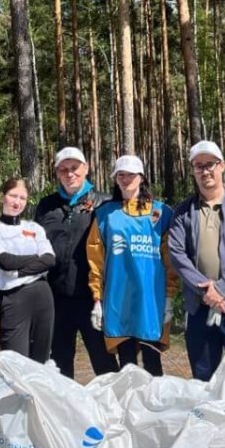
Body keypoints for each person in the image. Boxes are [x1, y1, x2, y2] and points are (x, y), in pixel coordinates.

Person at [168, 141, 225, 386]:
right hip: (199, 309)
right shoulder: (183, 211)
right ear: (193, 170)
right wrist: (206, 291)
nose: (205, 171)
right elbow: (177, 254)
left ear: (223, 166)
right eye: (199, 166)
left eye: (210, 164)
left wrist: (222, 287)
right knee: (203, 383)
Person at [86, 154, 179, 376]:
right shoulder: (105, 214)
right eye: (121, 175)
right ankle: (129, 400)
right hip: (119, 299)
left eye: (131, 175)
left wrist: (169, 297)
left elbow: (171, 259)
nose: (126, 180)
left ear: (142, 177)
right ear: (115, 179)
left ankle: (155, 399)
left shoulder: (161, 213)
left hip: (151, 300)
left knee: (152, 363)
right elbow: (96, 259)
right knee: (127, 365)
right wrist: (97, 299)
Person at [35, 147, 119, 379]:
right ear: (57, 173)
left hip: (93, 298)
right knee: (59, 364)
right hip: (56, 298)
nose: (69, 173)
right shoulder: (46, 206)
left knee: (104, 362)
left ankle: (113, 402)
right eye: (63, 169)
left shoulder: (105, 203)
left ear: (86, 168)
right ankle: (65, 403)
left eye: (74, 168)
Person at [0, 178, 57, 363]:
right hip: (13, 298)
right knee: (15, 361)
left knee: (40, 361)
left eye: (22, 198)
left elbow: (49, 259)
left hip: (42, 295)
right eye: (13, 196)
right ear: (2, 197)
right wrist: (36, 258)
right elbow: (5, 261)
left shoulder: (34, 228)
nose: (17, 202)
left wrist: (17, 272)